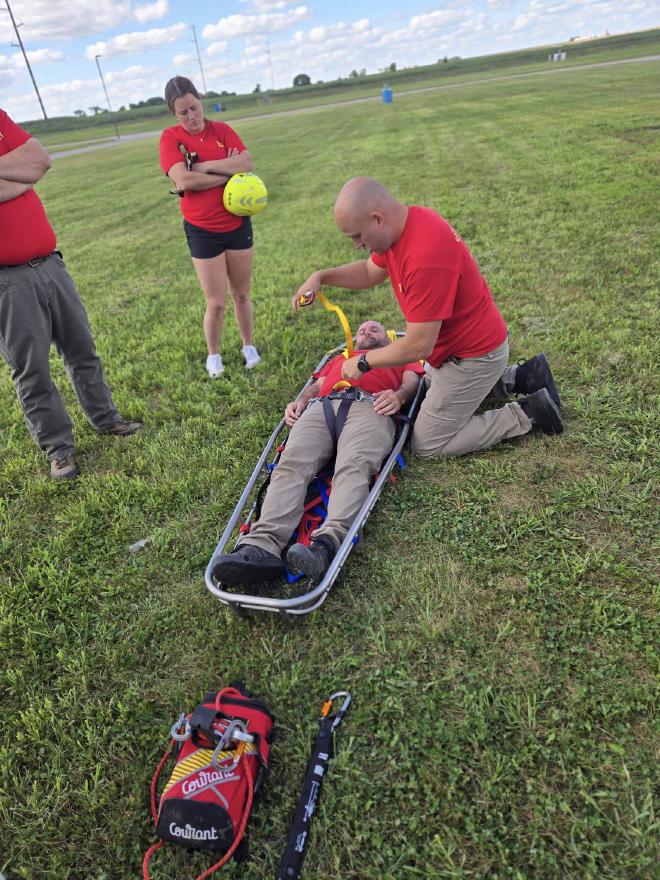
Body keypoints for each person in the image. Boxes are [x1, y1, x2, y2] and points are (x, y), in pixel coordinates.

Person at [293, 177, 563, 459]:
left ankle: (529, 412)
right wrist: (320, 277)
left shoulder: (423, 255)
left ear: (377, 219)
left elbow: (418, 346)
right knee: (422, 393)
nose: (357, 245)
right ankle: (521, 377)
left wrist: (363, 362)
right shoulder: (405, 226)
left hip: (473, 358)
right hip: (457, 354)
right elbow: (370, 272)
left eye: (357, 236)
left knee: (427, 444)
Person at [213, 320, 425, 587]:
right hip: (320, 408)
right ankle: (259, 547)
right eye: (361, 330)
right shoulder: (340, 358)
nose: (366, 332)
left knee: (354, 466)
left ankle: (327, 545)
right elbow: (316, 385)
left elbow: (412, 382)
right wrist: (301, 401)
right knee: (290, 465)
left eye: (374, 329)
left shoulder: (400, 354)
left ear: (388, 338)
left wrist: (400, 396)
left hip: (372, 406)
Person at [0, 108, 142, 481]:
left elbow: (39, 161)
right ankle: (59, 450)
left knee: (82, 349)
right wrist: (19, 176)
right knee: (32, 371)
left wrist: (24, 175)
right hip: (7, 282)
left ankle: (106, 418)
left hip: (50, 264)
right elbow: (26, 173)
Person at [159, 76, 261, 378]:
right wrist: (225, 172)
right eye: (183, 113)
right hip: (202, 230)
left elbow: (247, 163)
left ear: (200, 101)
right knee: (215, 303)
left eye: (194, 108)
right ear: (174, 115)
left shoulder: (222, 131)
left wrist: (201, 166)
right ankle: (213, 355)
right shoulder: (170, 138)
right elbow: (184, 180)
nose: (191, 117)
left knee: (241, 294)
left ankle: (248, 346)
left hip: (236, 223)